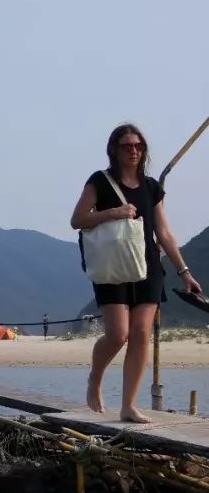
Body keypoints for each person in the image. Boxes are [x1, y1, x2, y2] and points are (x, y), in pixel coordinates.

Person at [71, 122, 201, 423]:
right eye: (127, 146)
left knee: (141, 333)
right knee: (118, 335)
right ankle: (96, 378)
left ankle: (128, 405)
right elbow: (77, 219)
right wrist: (113, 213)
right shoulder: (99, 182)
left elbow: (164, 233)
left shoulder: (152, 186)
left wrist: (183, 271)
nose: (134, 151)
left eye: (138, 146)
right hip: (111, 266)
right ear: (114, 150)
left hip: (147, 266)